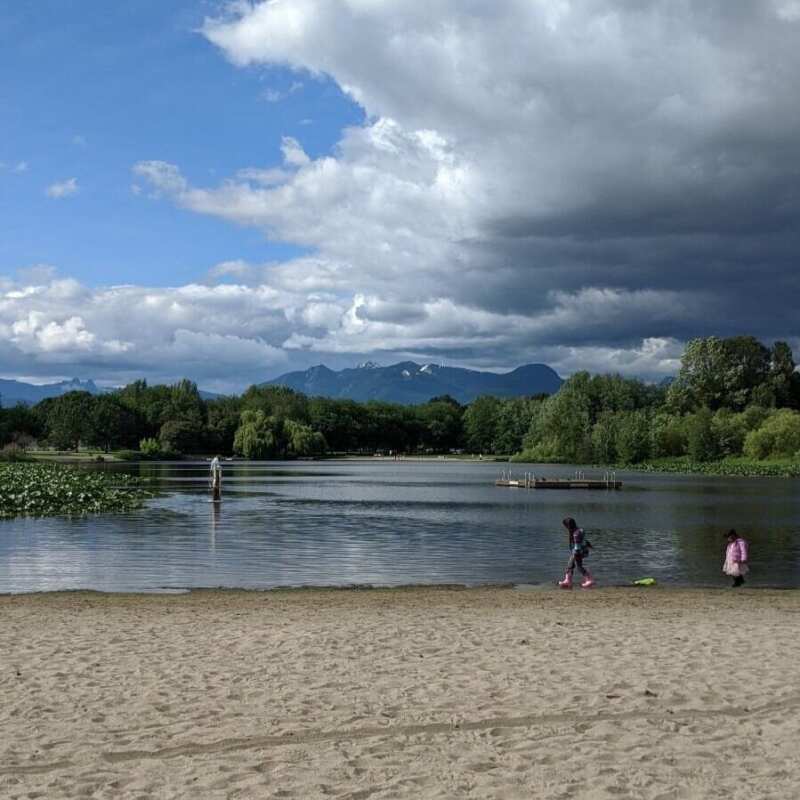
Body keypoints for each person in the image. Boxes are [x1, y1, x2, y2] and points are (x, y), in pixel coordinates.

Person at [557, 517, 595, 589]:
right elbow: (584, 540)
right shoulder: (579, 530)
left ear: (568, 526)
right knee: (573, 566)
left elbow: (577, 545)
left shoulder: (575, 534)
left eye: (565, 526)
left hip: (578, 552)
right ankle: (568, 581)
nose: (565, 528)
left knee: (575, 566)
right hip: (581, 551)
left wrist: (575, 554)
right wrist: (589, 545)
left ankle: (589, 580)